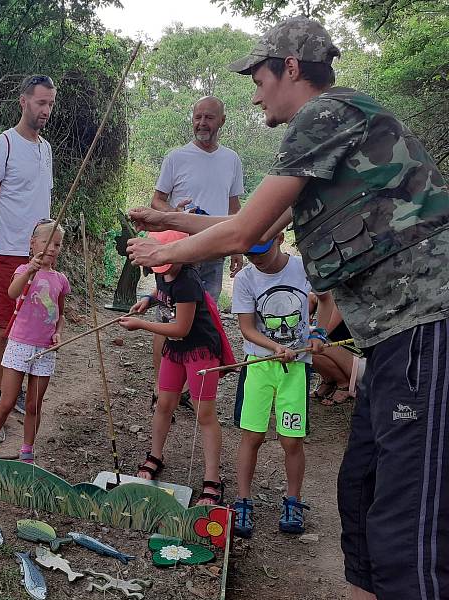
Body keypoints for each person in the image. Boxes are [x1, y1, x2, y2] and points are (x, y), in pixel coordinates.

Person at [126, 16, 449, 600]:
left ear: (291, 69)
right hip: (389, 339)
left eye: (259, 76)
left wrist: (158, 249)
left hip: (423, 327)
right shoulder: (331, 134)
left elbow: (243, 230)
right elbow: (258, 236)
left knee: (408, 524)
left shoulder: (326, 116)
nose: (254, 92)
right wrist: (169, 220)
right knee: (360, 492)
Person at [0, 75, 56, 442]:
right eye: (40, 103)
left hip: (41, 257)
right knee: (2, 329)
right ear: (23, 102)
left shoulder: (46, 149)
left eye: (50, 104)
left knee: (31, 330)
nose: (46, 111)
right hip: (8, 253)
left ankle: (14, 394)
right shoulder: (2, 144)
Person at [118, 230, 234, 505]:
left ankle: (211, 479)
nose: (164, 268)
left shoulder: (188, 281)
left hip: (199, 350)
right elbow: (161, 290)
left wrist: (142, 325)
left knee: (203, 412)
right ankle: (155, 456)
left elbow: (181, 328)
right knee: (164, 403)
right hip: (176, 349)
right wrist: (149, 300)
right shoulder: (163, 272)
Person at [148, 97, 245, 418]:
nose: (202, 123)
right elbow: (157, 201)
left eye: (209, 118)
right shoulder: (176, 157)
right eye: (197, 117)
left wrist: (237, 250)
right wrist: (174, 213)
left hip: (214, 253)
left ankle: (190, 389)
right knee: (166, 318)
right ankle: (160, 392)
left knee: (204, 323)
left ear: (222, 121)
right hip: (177, 254)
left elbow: (235, 212)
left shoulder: (232, 160)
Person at [230, 234, 322, 538]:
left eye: (261, 250)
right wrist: (274, 345)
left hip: (296, 369)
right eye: (249, 252)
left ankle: (293, 500)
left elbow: (328, 300)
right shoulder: (245, 278)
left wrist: (319, 334)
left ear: (280, 238)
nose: (255, 257)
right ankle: (242, 500)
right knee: (252, 435)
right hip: (258, 366)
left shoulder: (303, 268)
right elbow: (246, 327)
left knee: (291, 440)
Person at [0, 219, 68, 463]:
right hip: (20, 344)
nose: (52, 248)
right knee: (7, 400)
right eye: (47, 241)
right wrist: (30, 269)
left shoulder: (60, 280)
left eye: (58, 244)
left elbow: (60, 315)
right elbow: (11, 293)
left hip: (45, 349)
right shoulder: (23, 271)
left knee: (34, 405)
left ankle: (27, 451)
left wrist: (58, 333)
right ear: (33, 244)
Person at [308, 292, 364, 405]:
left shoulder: (341, 299)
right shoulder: (314, 297)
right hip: (340, 348)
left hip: (357, 353)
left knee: (309, 345)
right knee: (306, 345)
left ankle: (343, 383)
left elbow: (326, 330)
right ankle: (329, 381)